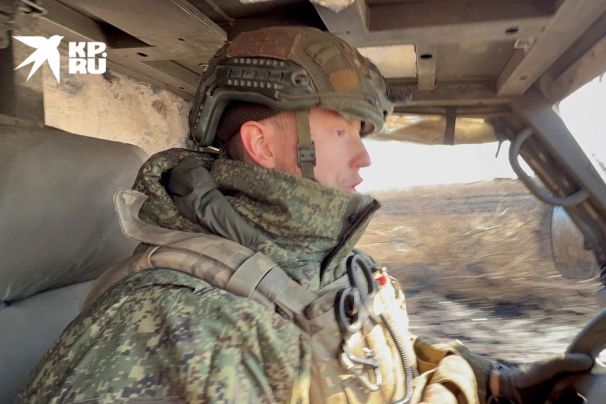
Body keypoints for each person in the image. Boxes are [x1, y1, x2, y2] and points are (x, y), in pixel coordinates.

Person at [19, 26, 591, 404]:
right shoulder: (181, 326)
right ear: (262, 145)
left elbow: (371, 373)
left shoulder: (338, 267)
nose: (364, 156)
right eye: (342, 132)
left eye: (361, 133)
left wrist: (490, 382)